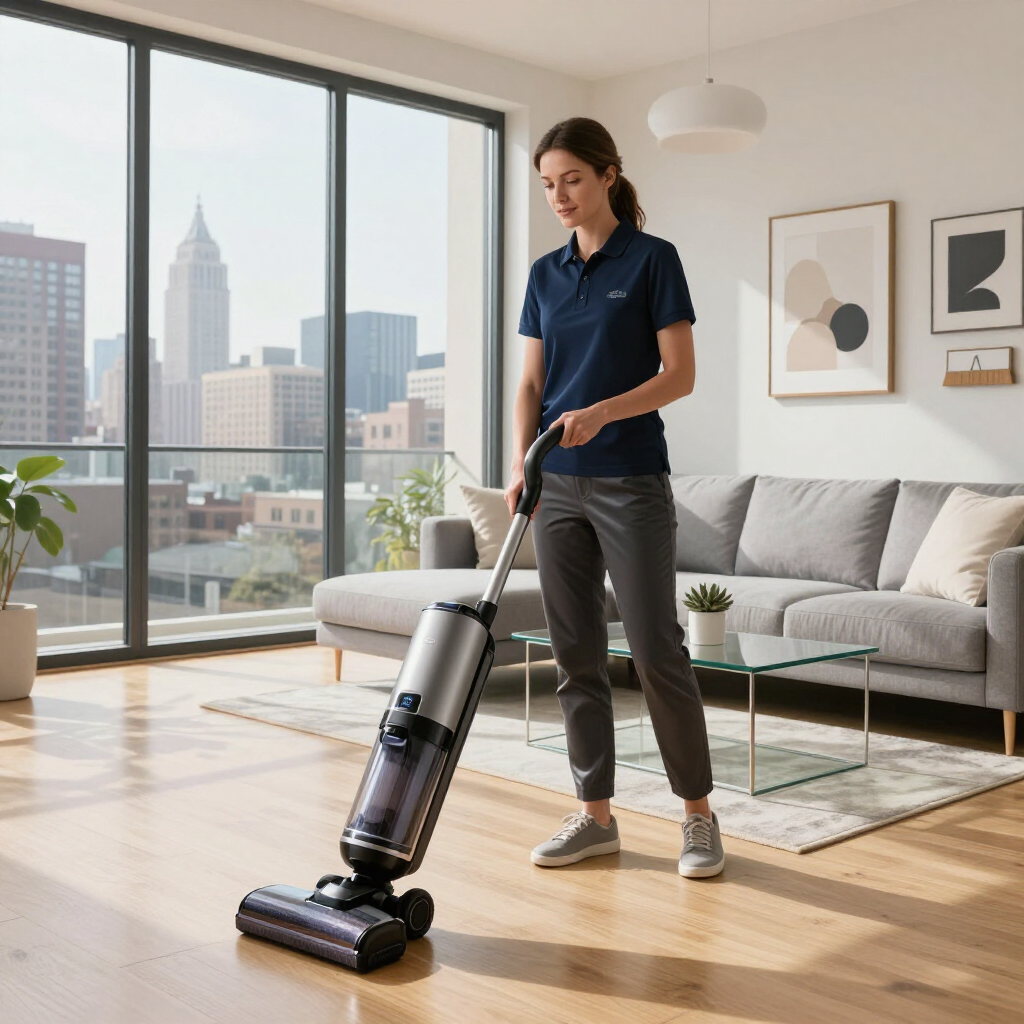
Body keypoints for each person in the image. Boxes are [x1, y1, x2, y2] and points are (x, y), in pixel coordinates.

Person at [505, 117, 724, 879]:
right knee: (575, 654)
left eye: (570, 179)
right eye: (546, 184)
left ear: (606, 174)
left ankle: (697, 816)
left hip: (630, 478)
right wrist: (521, 463)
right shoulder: (545, 275)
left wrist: (602, 412)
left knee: (657, 648)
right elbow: (531, 383)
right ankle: (595, 816)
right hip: (556, 485)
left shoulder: (653, 259)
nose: (558, 196)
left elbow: (680, 375)